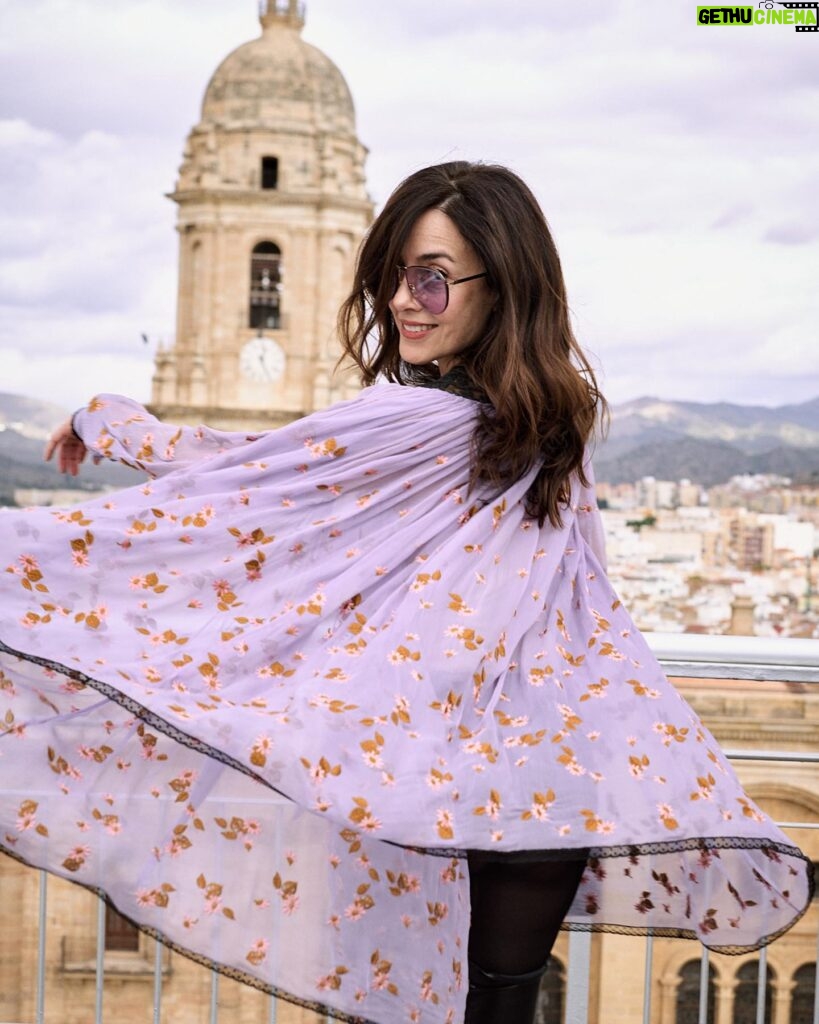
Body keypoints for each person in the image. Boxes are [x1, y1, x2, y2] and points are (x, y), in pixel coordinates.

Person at [1, 162, 812, 1024]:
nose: (400, 300)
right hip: (546, 793)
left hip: (452, 792)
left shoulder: (408, 420)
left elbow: (225, 476)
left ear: (501, 287)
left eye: (430, 276)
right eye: (392, 274)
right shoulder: (550, 420)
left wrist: (104, 417)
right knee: (500, 1007)